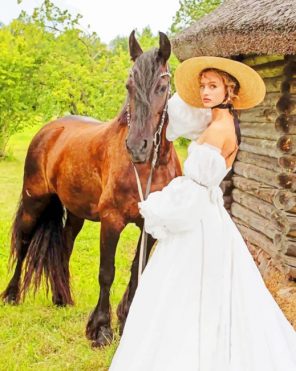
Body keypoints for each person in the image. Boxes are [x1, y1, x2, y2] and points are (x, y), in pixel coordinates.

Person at [109, 56, 296, 371]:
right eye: (203, 86)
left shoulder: (218, 129)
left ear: (229, 91)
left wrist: (154, 207)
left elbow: (192, 193)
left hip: (200, 223)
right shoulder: (220, 123)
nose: (205, 92)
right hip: (212, 217)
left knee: (185, 289)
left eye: (213, 86)